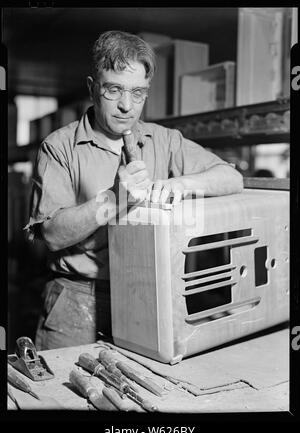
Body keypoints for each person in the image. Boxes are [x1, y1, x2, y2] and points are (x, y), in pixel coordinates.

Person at [25, 30, 243, 350]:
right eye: (114, 90)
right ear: (92, 88)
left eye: (138, 93)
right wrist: (114, 199)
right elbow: (53, 235)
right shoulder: (59, 147)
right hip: (77, 298)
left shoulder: (165, 140)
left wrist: (180, 183)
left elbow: (232, 178)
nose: (127, 105)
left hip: (148, 296)